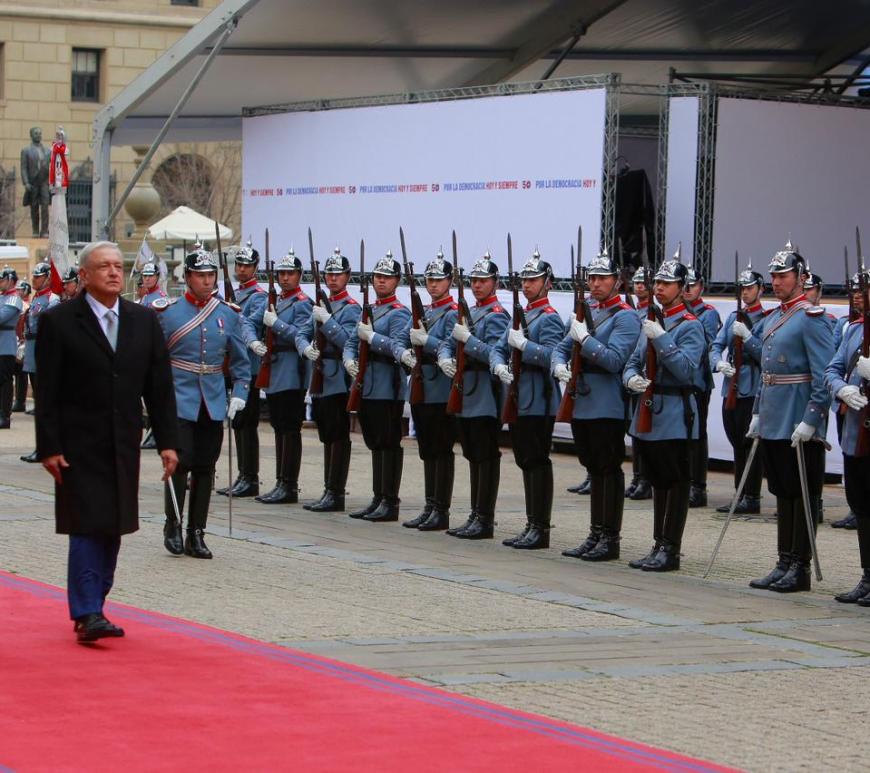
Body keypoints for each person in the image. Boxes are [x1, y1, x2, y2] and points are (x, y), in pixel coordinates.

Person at [35, 241, 178, 643]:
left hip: (122, 441)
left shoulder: (142, 321)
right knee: (85, 523)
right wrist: (49, 446)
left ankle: (96, 600)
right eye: (104, 267)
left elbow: (159, 388)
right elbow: (46, 391)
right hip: (77, 442)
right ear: (85, 275)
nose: (114, 273)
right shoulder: (60, 322)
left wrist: (169, 442)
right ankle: (86, 611)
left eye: (118, 266)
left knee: (113, 525)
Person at [744, 242, 833, 593]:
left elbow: (824, 373)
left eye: (783, 276)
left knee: (803, 493)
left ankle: (800, 566)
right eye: (774, 276)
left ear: (800, 278)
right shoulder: (776, 316)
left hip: (798, 416)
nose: (776, 282)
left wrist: (812, 418)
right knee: (782, 491)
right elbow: (767, 372)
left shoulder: (812, 318)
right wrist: (756, 413)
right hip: (774, 415)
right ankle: (783, 561)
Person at [154, 246, 250, 559]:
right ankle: (174, 525)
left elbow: (240, 360)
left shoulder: (226, 313)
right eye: (201, 276)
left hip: (211, 399)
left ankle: (197, 532)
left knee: (206, 467)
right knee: (181, 463)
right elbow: (154, 361)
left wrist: (240, 392)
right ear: (188, 277)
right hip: (179, 398)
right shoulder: (168, 313)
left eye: (211, 276)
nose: (207, 282)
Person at [553, 250, 641, 561]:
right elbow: (561, 347)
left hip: (607, 402)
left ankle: (610, 537)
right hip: (582, 400)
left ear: (617, 281)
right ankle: (594, 533)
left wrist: (586, 340)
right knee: (593, 468)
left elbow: (615, 359)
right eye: (592, 277)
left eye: (602, 278)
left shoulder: (625, 315)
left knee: (608, 469)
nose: (595, 283)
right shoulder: (585, 308)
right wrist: (558, 366)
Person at [624, 258, 705, 571]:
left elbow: (686, 370)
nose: (658, 288)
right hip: (650, 409)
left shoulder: (690, 325)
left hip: (675, 413)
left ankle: (671, 548)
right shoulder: (652, 320)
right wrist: (631, 379)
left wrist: (661, 337)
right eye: (657, 282)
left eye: (666, 283)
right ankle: (658, 543)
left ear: (682, 289)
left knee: (676, 481)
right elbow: (632, 361)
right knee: (658, 480)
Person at [491, 251, 563, 550]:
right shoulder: (522, 314)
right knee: (524, 459)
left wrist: (525, 346)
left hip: (539, 398)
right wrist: (499, 364)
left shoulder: (549, 317)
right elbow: (499, 346)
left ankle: (540, 527)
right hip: (520, 397)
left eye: (533, 280)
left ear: (547, 283)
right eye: (524, 280)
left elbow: (554, 355)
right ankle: (531, 523)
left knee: (536, 460)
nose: (527, 285)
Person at [438, 253, 509, 539]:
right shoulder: (470, 312)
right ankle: (475, 514)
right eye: (474, 281)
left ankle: (485, 517)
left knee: (485, 455)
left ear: (495, 283)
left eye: (483, 281)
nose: (477, 285)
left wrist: (468, 341)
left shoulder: (497, 314)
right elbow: (447, 341)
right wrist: (445, 355)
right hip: (466, 390)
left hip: (485, 392)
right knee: (471, 453)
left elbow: (494, 352)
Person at [343, 251, 411, 522]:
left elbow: (397, 346)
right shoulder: (368, 310)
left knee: (388, 441)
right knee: (373, 440)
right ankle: (377, 497)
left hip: (387, 384)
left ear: (396, 281)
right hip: (367, 384)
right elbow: (350, 340)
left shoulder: (398, 313)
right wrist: (348, 359)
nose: (381, 282)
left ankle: (390, 500)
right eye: (378, 277)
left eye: (387, 277)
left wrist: (371, 338)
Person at [296, 247, 360, 512]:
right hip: (320, 374)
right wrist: (304, 346)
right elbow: (302, 332)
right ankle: (327, 489)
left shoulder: (351, 308)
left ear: (347, 276)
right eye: (328, 274)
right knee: (325, 433)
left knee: (337, 433)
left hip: (338, 378)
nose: (332, 279)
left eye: (337, 274)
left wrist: (328, 321)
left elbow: (349, 341)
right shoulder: (320, 304)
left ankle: (336, 492)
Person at [401, 251, 459, 531]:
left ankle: (441, 509)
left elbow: (452, 345)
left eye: (439, 280)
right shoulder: (425, 310)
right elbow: (404, 339)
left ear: (450, 281)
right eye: (430, 280)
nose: (433, 285)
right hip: (421, 382)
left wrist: (428, 341)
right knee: (426, 448)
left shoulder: (453, 313)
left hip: (439, 385)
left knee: (441, 447)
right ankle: (429, 505)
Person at [825, 270, 870, 604]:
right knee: (862, 506)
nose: (860, 296)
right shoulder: (854, 330)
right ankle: (868, 577)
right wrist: (843, 389)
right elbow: (832, 369)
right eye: (859, 290)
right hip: (857, 433)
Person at [256, 249, 312, 504]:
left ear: (299, 275)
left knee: (290, 428)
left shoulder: (302, 303)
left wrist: (275, 323)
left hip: (292, 370)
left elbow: (301, 334)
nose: (285, 277)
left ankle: (289, 484)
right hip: (276, 368)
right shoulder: (276, 300)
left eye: (290, 273)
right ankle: (280, 480)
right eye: (282, 273)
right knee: (278, 426)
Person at [709, 262, 767, 514]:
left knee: (748, 445)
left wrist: (748, 337)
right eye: (742, 288)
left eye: (750, 288)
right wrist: (719, 363)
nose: (745, 292)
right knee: (736, 443)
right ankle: (740, 493)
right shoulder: (733, 316)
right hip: (730, 388)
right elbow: (714, 345)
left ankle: (752, 496)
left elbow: (766, 355)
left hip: (751, 389)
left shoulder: (766, 320)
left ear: (760, 290)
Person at [216, 240, 267, 499]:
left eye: (246, 266)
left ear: (255, 267)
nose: (242, 269)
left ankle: (251, 477)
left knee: (247, 422)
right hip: (232, 364)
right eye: (239, 264)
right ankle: (242, 474)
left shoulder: (258, 296)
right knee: (237, 423)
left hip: (249, 365)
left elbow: (248, 324)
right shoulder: (232, 293)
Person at [683, 266, 721, 507]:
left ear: (701, 287)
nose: (687, 290)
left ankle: (699, 486)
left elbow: (704, 345)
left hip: (697, 379)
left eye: (692, 285)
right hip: (678, 380)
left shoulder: (707, 313)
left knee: (697, 434)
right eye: (683, 285)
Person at [19, 262, 58, 460]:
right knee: (38, 401)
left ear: (47, 278)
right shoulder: (36, 299)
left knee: (46, 403)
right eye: (33, 277)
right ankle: (41, 446)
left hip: (44, 351)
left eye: (37, 277)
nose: (34, 280)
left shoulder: (53, 300)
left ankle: (48, 447)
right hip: (33, 350)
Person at [625, 266, 653, 501]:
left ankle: (646, 478)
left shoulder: (654, 312)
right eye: (636, 282)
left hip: (650, 377)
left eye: (643, 282)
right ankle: (637, 476)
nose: (639, 286)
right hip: (633, 374)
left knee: (645, 431)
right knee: (635, 430)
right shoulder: (631, 310)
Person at [0, 266, 24, 429]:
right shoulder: (3, 298)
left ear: (10, 280)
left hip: (5, 344)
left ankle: (4, 416)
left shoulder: (14, 299)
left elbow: (2, 317)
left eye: (2, 280)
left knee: (5, 382)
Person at [20, 126, 50, 237]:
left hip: (44, 182)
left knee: (45, 206)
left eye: (39, 133)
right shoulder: (26, 151)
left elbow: (52, 166)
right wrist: (26, 182)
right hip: (33, 182)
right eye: (36, 133)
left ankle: (45, 231)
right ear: (31, 135)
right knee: (34, 207)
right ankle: (36, 230)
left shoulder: (48, 151)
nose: (38, 135)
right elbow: (23, 168)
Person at [11, 280, 30, 413]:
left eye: (21, 289)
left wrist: (22, 340)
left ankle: (20, 400)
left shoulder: (25, 305)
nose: (18, 292)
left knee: (21, 372)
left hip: (21, 340)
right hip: (14, 339)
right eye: (17, 289)